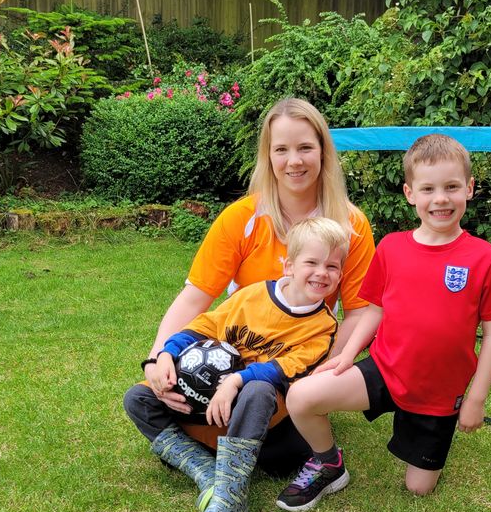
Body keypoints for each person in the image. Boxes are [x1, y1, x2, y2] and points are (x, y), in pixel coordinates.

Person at [275, 133, 491, 512]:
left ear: (469, 189)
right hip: (385, 370)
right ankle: (329, 463)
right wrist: (346, 356)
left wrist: (476, 398)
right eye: (428, 189)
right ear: (410, 193)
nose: (440, 199)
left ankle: (425, 439)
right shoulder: (391, 246)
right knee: (301, 396)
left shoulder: (484, 258)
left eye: (451, 187)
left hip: (438, 393)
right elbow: (374, 310)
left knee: (418, 488)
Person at [140, 98, 375, 473]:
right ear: (268, 156)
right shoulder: (241, 217)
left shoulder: (351, 225)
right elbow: (196, 297)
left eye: (305, 147)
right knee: (143, 399)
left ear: (323, 151)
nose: (294, 161)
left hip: (288, 362)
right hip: (230, 353)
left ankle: (224, 437)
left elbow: (360, 313)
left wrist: (315, 379)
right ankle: (206, 452)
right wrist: (158, 359)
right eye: (281, 149)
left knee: (284, 456)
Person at [124, 217, 349, 512]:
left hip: (268, 424)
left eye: (332, 266)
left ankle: (230, 507)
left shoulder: (324, 327)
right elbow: (205, 325)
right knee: (137, 398)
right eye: (311, 262)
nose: (321, 272)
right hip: (209, 407)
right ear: (288, 265)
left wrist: (234, 382)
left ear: (340, 275)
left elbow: (283, 369)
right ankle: (206, 472)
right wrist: (167, 354)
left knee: (258, 388)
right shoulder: (252, 295)